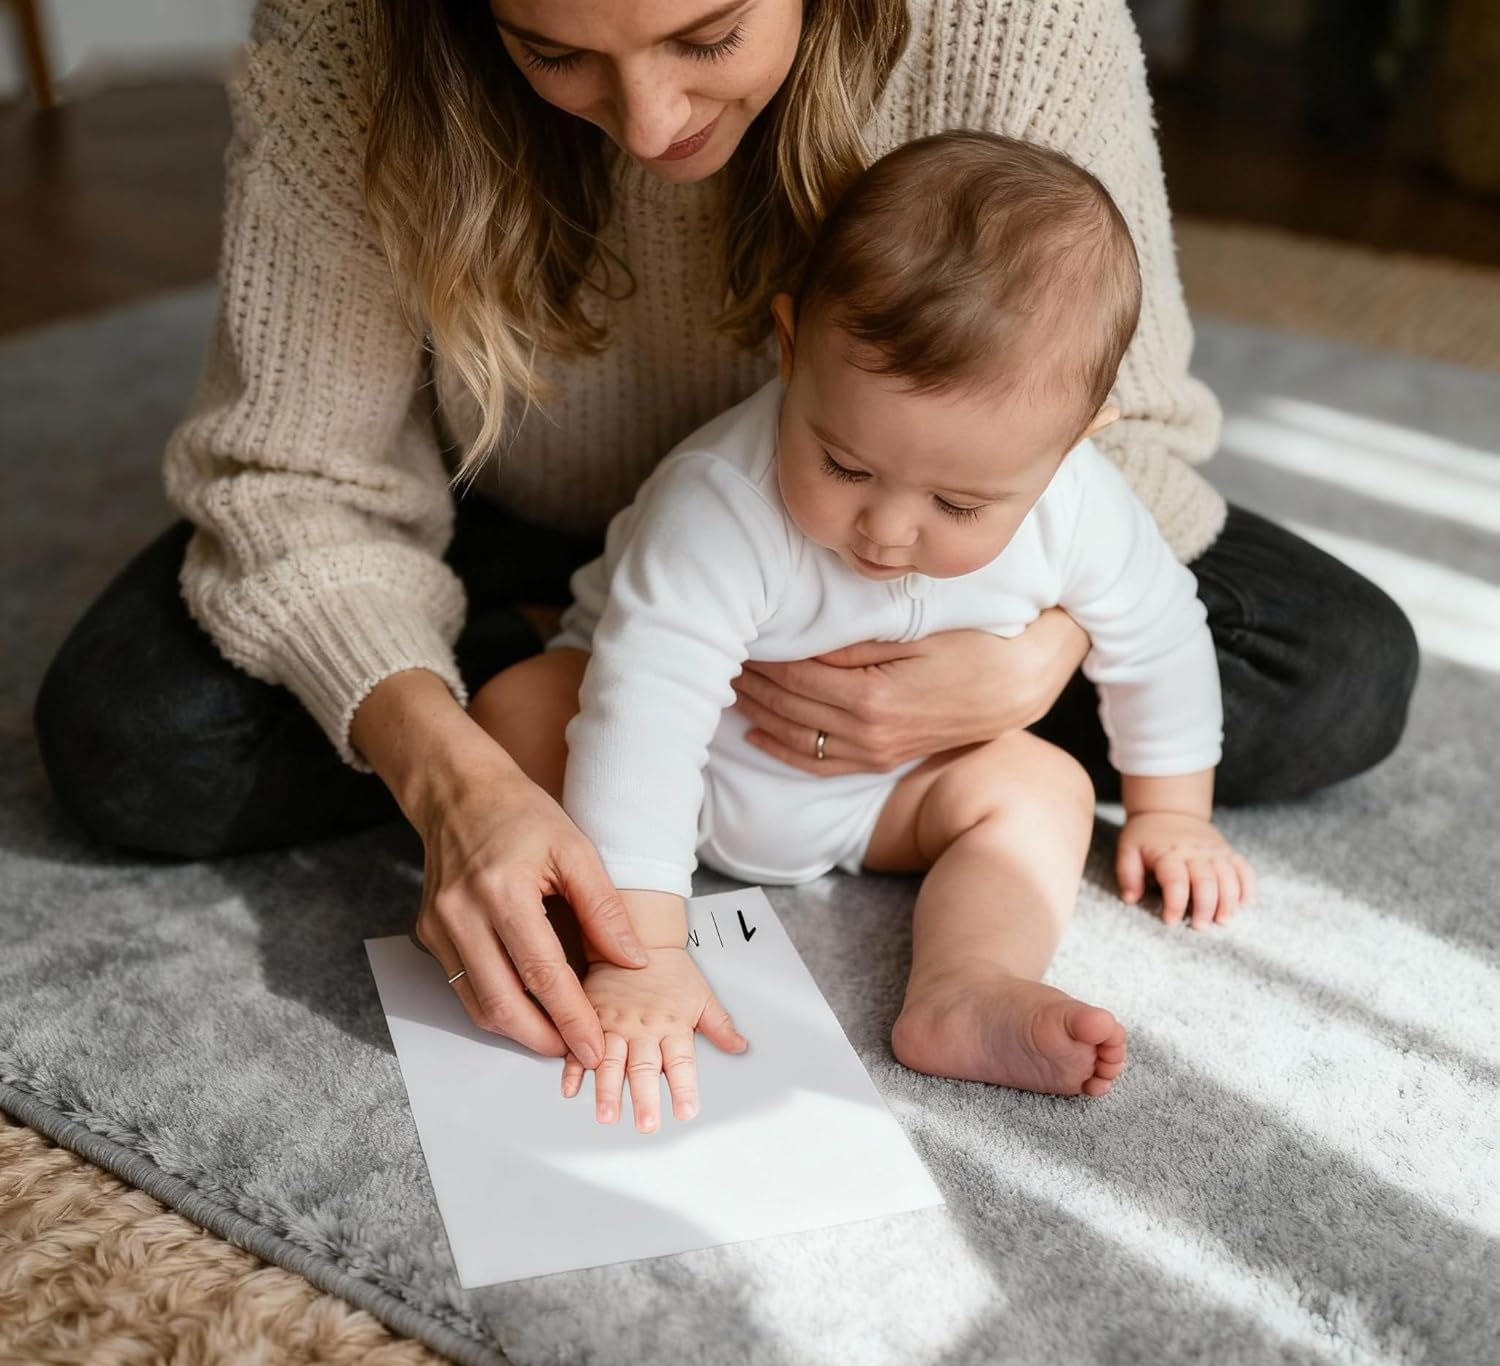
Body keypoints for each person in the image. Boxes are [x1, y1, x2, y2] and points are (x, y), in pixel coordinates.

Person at [33, 2, 1414, 1080]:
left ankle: (965, 985)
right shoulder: (722, 501)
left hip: (926, 697)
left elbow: (1134, 516)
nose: (646, 123)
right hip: (551, 558)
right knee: (141, 737)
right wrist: (580, 878)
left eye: (707, 38)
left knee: (1321, 673)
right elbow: (310, 489)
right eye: (553, 53)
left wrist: (1037, 677)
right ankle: (507, 654)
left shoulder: (1014, 51)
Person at [484, 130, 1255, 1131]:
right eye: (844, 466)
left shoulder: (1086, 507)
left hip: (888, 797)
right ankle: (590, 915)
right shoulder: (720, 501)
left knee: (1044, 791)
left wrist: (1173, 812)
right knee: (518, 711)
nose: (887, 533)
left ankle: (966, 985)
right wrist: (648, 953)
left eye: (961, 503)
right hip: (684, 767)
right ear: (792, 346)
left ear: (1073, 444)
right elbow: (647, 711)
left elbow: (1160, 637)